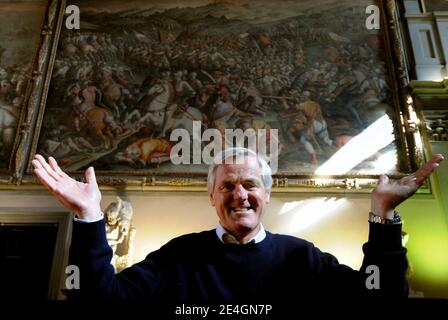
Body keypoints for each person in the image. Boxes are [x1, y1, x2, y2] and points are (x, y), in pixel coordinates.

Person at [31, 148, 444, 302]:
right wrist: (88, 217)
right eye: (227, 185)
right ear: (212, 197)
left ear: (267, 194)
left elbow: (383, 297)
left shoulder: (300, 256)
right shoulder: (179, 254)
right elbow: (96, 300)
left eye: (250, 185)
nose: (239, 195)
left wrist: (384, 215)